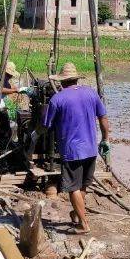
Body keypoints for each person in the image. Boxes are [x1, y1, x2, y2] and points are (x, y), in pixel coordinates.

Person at [43, 62, 111, 234]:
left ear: (62, 81)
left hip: (72, 151)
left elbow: (47, 125)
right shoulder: (91, 93)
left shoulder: (57, 99)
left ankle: (83, 224)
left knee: (72, 187)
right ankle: (76, 213)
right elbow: (103, 118)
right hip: (91, 149)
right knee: (82, 185)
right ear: (75, 79)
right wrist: (105, 140)